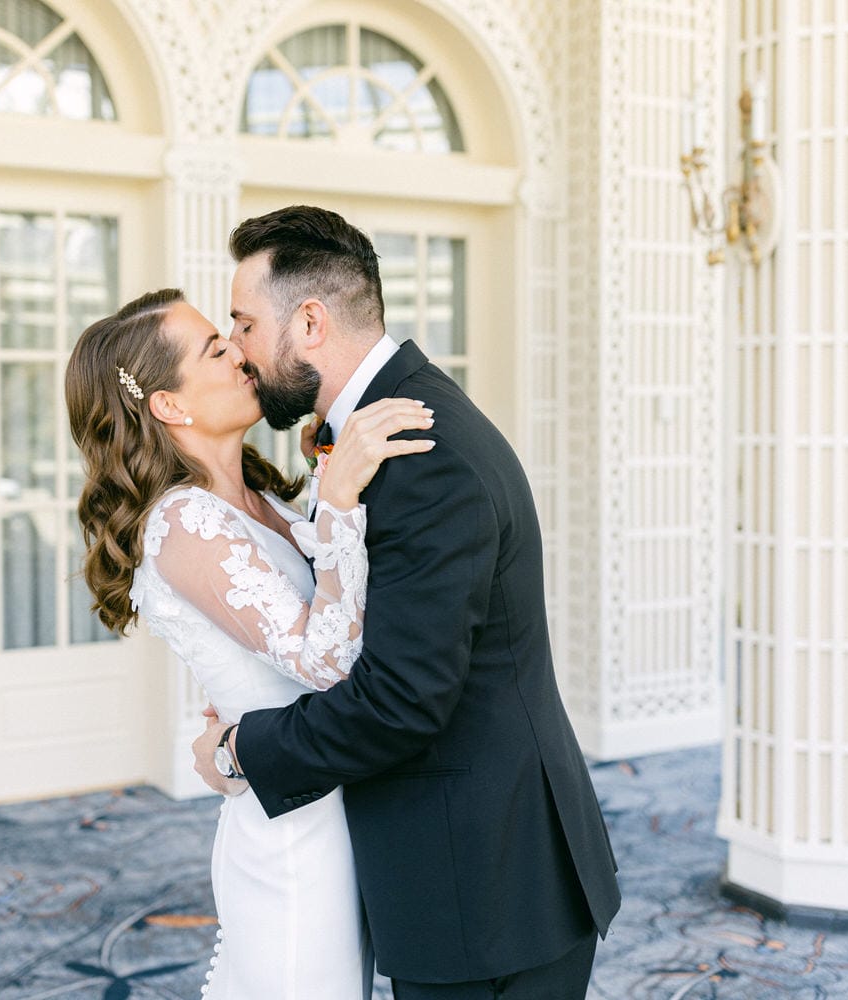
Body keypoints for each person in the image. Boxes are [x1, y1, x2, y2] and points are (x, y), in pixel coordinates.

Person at [191, 205, 622, 999]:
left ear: (310, 322)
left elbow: (399, 702)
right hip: (470, 864)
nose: (241, 350)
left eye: (245, 324)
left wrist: (243, 748)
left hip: (486, 884)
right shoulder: (380, 430)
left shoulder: (420, 457)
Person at [65, 286, 435, 998]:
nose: (240, 352)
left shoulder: (260, 498)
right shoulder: (184, 522)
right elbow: (326, 662)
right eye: (215, 348)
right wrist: (344, 501)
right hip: (296, 843)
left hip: (330, 801)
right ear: (169, 405)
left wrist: (326, 493)